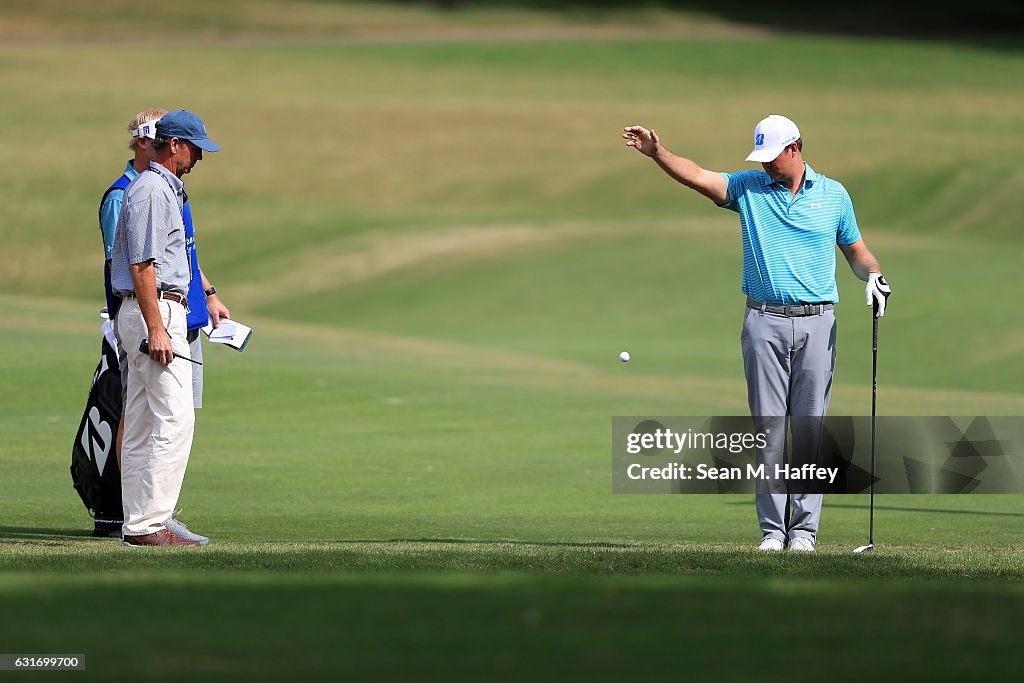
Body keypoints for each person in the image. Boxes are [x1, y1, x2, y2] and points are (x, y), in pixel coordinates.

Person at [623, 114, 891, 552]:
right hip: (763, 321)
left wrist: (875, 277)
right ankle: (772, 532)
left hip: (818, 321)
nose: (765, 165)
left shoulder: (834, 195)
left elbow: (857, 252)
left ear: (795, 148)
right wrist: (658, 154)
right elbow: (697, 175)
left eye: (772, 157)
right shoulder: (747, 188)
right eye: (760, 158)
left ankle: (803, 533)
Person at [98, 108, 230, 543]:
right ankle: (151, 522)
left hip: (144, 309)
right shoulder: (154, 190)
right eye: (194, 148)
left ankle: (138, 523)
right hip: (155, 310)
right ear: (173, 145)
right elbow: (142, 266)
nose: (199, 157)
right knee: (172, 419)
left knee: (139, 420)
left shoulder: (158, 188)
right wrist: (157, 327)